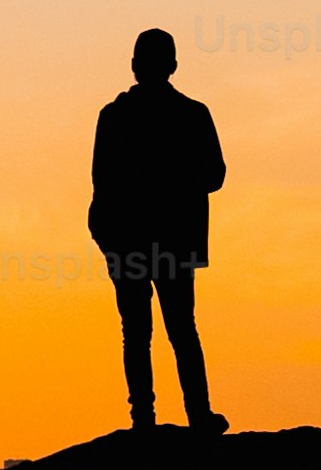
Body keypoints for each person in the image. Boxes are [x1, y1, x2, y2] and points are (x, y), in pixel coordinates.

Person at [88, 29, 226, 437]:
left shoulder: (114, 117)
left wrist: (106, 234)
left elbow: (101, 183)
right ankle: (196, 416)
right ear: (173, 67)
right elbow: (214, 175)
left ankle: (144, 420)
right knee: (181, 329)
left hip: (131, 239)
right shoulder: (192, 114)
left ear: (134, 66)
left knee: (138, 332)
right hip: (172, 238)